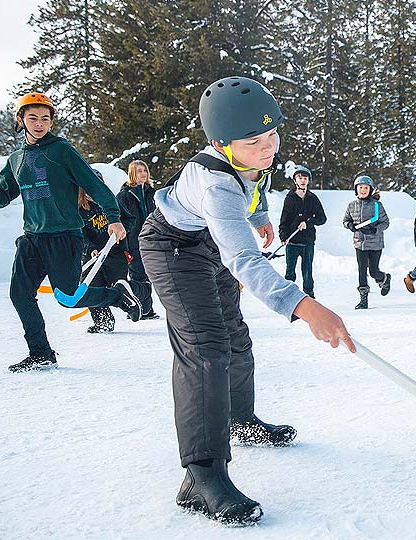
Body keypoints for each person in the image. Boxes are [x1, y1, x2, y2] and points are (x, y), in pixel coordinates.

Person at [137, 76, 353, 525]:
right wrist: (304, 306)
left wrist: (259, 217)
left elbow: (252, 186)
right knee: (205, 350)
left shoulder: (251, 160)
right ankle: (201, 476)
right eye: (255, 141)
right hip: (172, 249)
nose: (268, 147)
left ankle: (242, 420)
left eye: (273, 135)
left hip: (206, 243)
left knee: (235, 336)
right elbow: (244, 260)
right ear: (221, 143)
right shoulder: (214, 184)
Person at [0, 92, 144, 373]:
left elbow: (94, 185)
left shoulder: (61, 151)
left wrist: (113, 218)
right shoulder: (16, 159)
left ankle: (116, 296)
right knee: (19, 295)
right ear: (21, 120)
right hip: (31, 238)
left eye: (45, 118)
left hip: (65, 236)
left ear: (52, 121)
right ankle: (41, 353)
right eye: (33, 118)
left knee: (67, 297)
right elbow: (4, 194)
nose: (40, 123)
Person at [78, 170, 132, 334]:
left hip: (114, 253)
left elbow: (129, 219)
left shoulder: (111, 202)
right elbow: (79, 234)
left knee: (120, 285)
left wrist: (121, 233)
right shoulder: (78, 208)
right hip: (92, 257)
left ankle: (135, 306)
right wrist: (91, 249)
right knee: (91, 287)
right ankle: (103, 322)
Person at [116, 159, 160, 318]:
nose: (143, 173)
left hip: (152, 240)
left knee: (149, 275)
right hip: (133, 242)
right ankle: (142, 309)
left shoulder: (152, 193)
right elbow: (121, 222)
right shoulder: (124, 195)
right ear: (132, 174)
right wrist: (124, 246)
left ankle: (146, 309)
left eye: (145, 170)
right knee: (138, 275)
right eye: (139, 171)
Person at [342, 175, 391, 309]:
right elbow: (345, 220)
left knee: (373, 271)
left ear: (370, 190)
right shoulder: (352, 206)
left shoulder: (377, 205)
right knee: (362, 270)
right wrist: (349, 225)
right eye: (360, 187)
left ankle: (384, 278)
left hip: (375, 243)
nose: (363, 190)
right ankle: (363, 299)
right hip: (359, 243)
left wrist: (375, 230)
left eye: (366, 188)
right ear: (356, 189)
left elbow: (386, 222)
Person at [278, 165, 327, 298]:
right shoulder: (290, 198)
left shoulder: (313, 199)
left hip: (307, 242)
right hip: (292, 242)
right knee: (290, 272)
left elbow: (322, 218)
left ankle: (309, 296)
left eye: (305, 178)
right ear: (295, 180)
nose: (302, 180)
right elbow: (284, 220)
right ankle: (288, 297)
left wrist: (308, 223)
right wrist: (283, 237)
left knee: (307, 272)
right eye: (299, 178)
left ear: (308, 180)